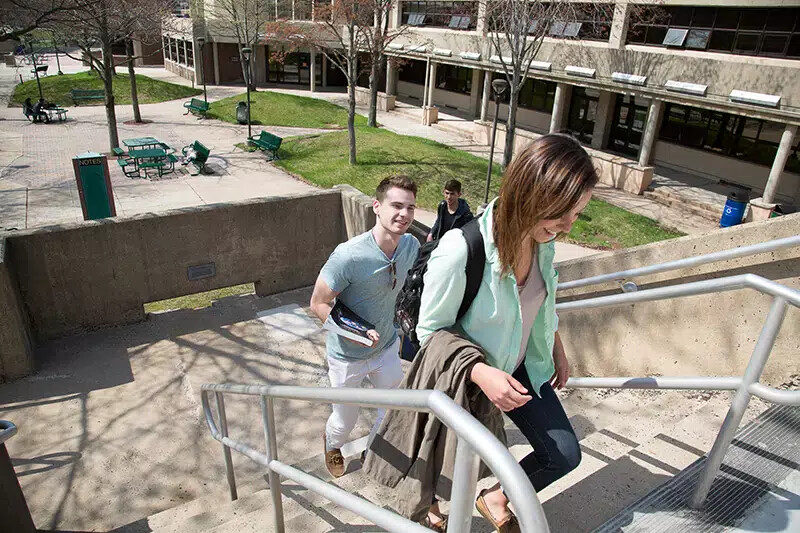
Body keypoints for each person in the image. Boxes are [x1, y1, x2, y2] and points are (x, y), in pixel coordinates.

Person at [416, 134, 598, 531]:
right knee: (442, 473)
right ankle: (429, 512)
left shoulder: (542, 240)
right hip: (469, 378)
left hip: (523, 366)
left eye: (577, 214)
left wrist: (556, 347)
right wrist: (481, 372)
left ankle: (495, 497)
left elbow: (539, 299)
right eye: (562, 213)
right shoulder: (460, 250)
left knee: (564, 454)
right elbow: (428, 331)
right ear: (530, 194)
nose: (568, 227)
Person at [310, 175, 421, 478]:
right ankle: (332, 444)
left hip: (386, 348)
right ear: (376, 206)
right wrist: (355, 332)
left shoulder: (410, 245)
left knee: (391, 412)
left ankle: (375, 451)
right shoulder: (349, 255)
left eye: (410, 207)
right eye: (396, 205)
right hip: (347, 356)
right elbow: (318, 303)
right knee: (345, 420)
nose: (404, 214)